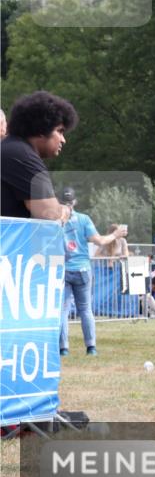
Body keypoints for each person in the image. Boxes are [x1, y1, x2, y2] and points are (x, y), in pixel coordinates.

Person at [58, 187, 128, 356]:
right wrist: (116, 235)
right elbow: (100, 241)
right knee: (85, 309)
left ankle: (63, 349)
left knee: (63, 310)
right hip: (83, 269)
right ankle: (91, 348)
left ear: (58, 202)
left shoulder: (53, 221)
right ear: (74, 202)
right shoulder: (83, 219)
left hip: (62, 269)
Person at [1, 91, 76, 221]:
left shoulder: (9, 149)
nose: (63, 140)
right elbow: (50, 214)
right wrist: (65, 210)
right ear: (41, 129)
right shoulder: (22, 156)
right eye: (60, 131)